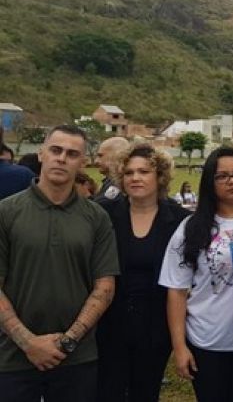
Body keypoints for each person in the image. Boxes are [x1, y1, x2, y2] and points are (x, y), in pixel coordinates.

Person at [0, 125, 119, 401]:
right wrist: (28, 343)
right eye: (55, 150)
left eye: (71, 153)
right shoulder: (6, 212)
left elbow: (105, 288)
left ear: (82, 162)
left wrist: (67, 342)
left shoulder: (97, 217)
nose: (62, 158)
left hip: (77, 358)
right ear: (41, 154)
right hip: (13, 357)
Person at [160, 147, 233, 402]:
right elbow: (176, 290)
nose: (232, 181)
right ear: (209, 181)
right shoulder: (191, 227)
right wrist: (180, 346)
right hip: (208, 340)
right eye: (222, 176)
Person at [95, 143, 191, 401]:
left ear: (159, 177)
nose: (135, 178)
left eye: (144, 172)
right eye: (128, 173)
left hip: (155, 326)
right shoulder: (104, 213)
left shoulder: (179, 220)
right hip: (110, 323)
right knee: (107, 392)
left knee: (145, 392)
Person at [93, 136, 130, 203]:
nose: (96, 161)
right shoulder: (110, 180)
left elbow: (103, 205)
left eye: (100, 156)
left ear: (116, 155)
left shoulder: (121, 184)